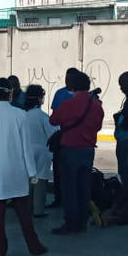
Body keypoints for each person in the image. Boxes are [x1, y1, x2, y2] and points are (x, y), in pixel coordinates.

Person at [0, 79, 49, 256]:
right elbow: (25, 148)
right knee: (23, 211)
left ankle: (0, 250)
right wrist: (32, 172)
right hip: (16, 168)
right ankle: (34, 245)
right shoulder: (19, 115)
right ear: (11, 94)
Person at [49, 70, 104, 234]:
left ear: (72, 86)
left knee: (69, 188)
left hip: (71, 149)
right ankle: (82, 222)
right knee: (83, 187)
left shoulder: (69, 104)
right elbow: (98, 126)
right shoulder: (96, 105)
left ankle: (71, 223)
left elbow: (53, 120)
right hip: (88, 149)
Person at [47, 68, 80, 210]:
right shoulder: (59, 93)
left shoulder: (81, 96)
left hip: (77, 139)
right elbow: (54, 116)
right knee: (58, 169)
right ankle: (59, 197)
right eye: (66, 78)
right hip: (61, 137)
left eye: (71, 79)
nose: (68, 81)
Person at [23, 85, 57, 217]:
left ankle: (27, 208)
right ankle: (39, 210)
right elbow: (52, 133)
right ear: (40, 99)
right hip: (42, 151)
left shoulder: (23, 115)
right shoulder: (42, 116)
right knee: (41, 180)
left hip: (27, 150)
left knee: (30, 180)